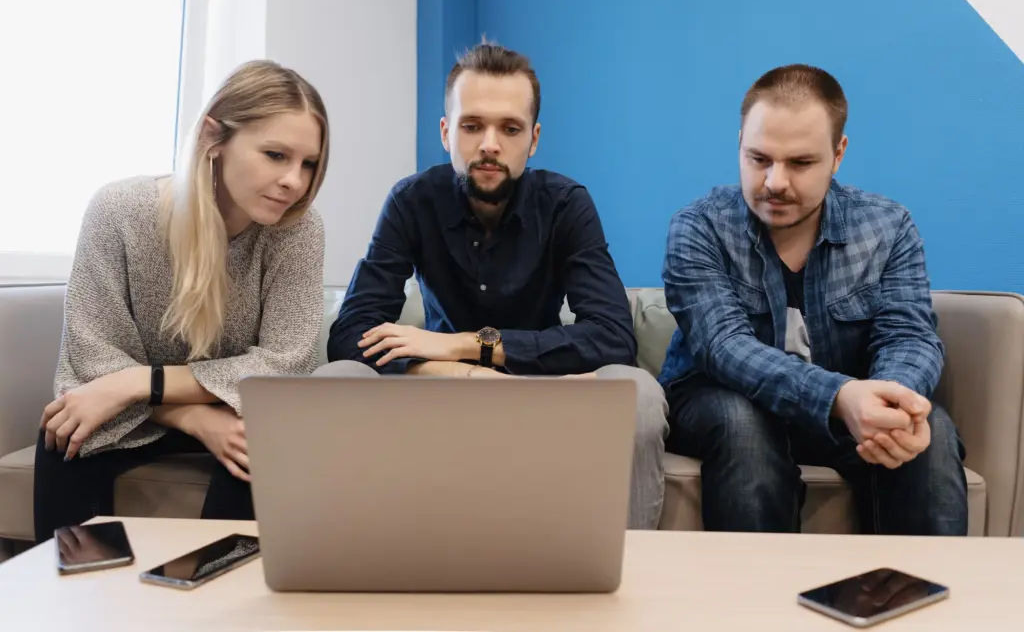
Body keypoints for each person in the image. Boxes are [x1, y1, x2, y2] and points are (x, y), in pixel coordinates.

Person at [322, 41, 669, 530]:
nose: (490, 144)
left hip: (545, 394)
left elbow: (614, 338)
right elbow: (348, 336)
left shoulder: (566, 204)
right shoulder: (411, 201)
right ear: (446, 132)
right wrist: (460, 374)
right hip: (436, 395)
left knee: (640, 392)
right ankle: (343, 569)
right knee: (336, 378)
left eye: (510, 128)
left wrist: (466, 346)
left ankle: (632, 567)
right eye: (472, 126)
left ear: (533, 139)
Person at [659, 64, 968, 535]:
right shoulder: (699, 227)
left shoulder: (888, 228)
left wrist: (892, 402)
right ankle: (756, 585)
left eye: (800, 163)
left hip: (848, 410)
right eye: (758, 158)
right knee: (743, 424)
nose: (774, 182)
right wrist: (839, 396)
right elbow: (722, 346)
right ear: (740, 142)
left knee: (933, 434)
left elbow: (909, 335)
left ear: (838, 154)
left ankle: (915, 583)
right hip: (719, 401)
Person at [33, 60, 331, 543]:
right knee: (65, 432)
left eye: (308, 164)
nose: (294, 181)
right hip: (144, 413)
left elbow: (285, 364)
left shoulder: (299, 229)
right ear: (213, 137)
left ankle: (211, 586)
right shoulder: (118, 211)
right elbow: (92, 358)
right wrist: (193, 417)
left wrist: (139, 381)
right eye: (276, 155)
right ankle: (72, 584)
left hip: (228, 410)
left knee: (260, 445)